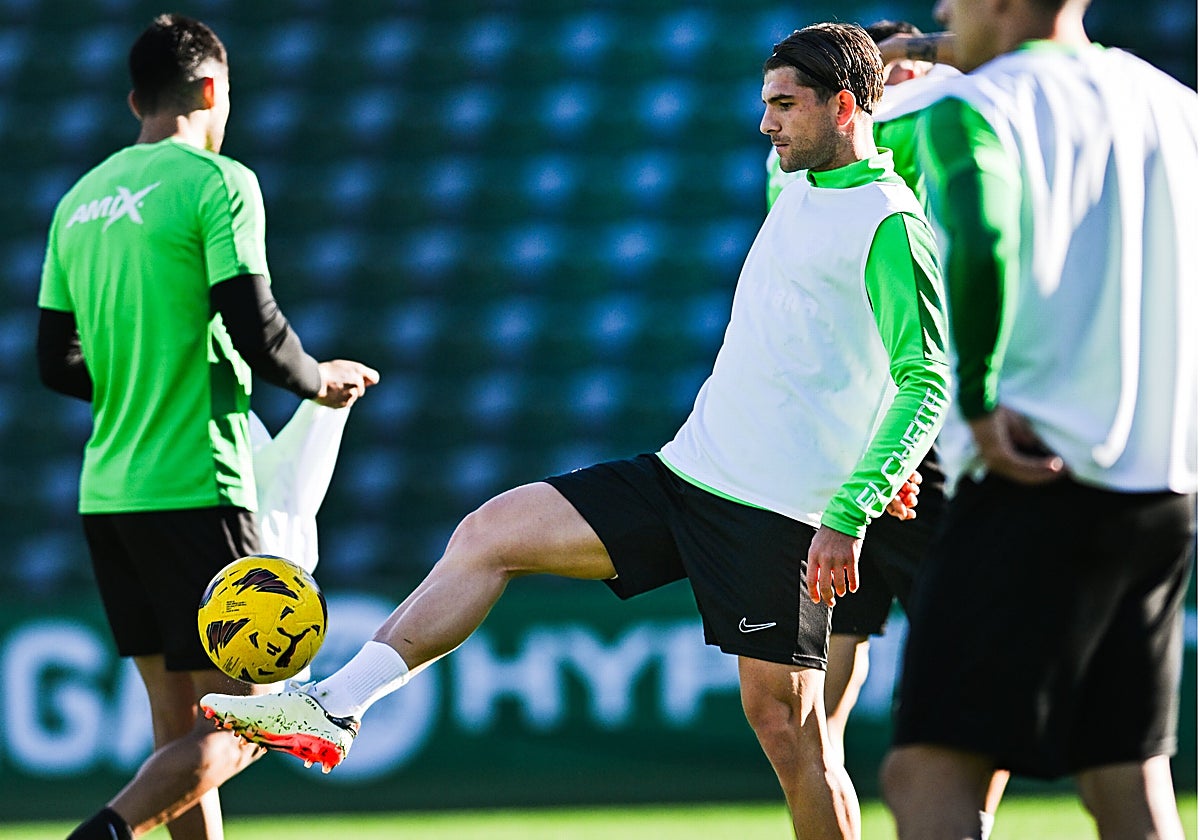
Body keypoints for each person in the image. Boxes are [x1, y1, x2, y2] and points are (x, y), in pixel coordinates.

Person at [202, 22, 949, 839]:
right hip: (686, 475)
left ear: (844, 108)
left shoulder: (888, 221)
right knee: (491, 532)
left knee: (795, 738)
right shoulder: (798, 184)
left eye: (783, 105)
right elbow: (848, 352)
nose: (765, 123)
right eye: (764, 103)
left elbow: (924, 378)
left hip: (778, 519)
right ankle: (337, 705)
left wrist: (855, 505)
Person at [36, 14, 378, 840]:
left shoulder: (78, 204)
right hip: (198, 483)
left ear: (134, 100)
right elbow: (257, 330)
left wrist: (141, 378)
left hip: (110, 493)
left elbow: (57, 362)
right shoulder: (218, 183)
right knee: (257, 715)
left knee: (177, 721)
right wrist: (318, 379)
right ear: (214, 88)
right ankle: (109, 831)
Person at [879, 1, 1198, 838]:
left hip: (1032, 476)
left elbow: (980, 237)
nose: (943, 12)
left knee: (927, 775)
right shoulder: (1175, 104)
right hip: (1162, 486)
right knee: (1128, 780)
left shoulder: (974, 106)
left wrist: (977, 401)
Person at [767, 20, 1008, 838]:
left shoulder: (813, 173)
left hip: (882, 439)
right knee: (863, 669)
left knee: (866, 669)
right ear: (859, 99)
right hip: (908, 444)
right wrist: (924, 54)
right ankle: (947, 821)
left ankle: (949, 819)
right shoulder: (913, 146)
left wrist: (907, 56)